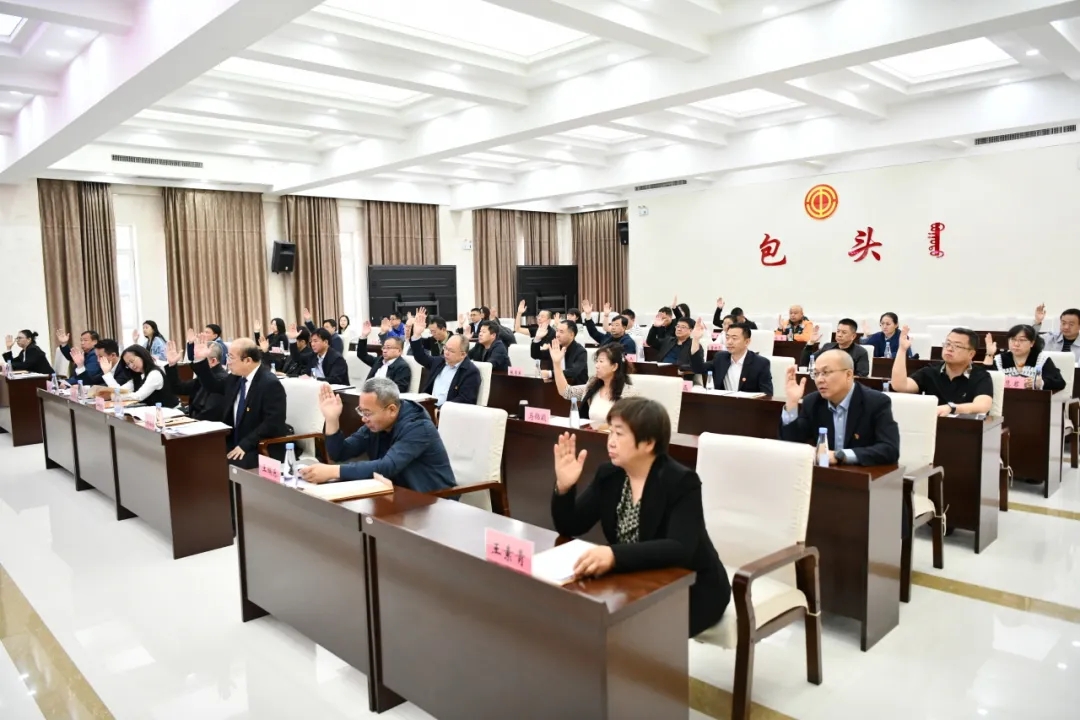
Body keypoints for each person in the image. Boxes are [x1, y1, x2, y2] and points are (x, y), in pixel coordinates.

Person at [551, 397, 730, 638]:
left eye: (619, 433)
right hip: (636, 580)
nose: (610, 441)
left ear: (648, 442)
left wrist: (614, 555)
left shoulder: (680, 482)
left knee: (629, 634)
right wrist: (564, 488)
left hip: (692, 589)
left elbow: (680, 548)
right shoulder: (610, 475)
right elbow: (570, 524)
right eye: (610, 431)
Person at [298, 380, 457, 493]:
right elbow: (339, 453)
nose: (363, 418)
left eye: (368, 413)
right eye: (361, 411)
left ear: (392, 410)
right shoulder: (376, 425)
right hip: (394, 492)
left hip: (433, 499)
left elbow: (386, 467)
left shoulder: (419, 428)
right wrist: (332, 419)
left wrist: (333, 471)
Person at [779, 351, 900, 465]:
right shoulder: (813, 402)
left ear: (848, 375)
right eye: (816, 374)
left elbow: (890, 449)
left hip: (862, 475)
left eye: (826, 372)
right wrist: (792, 402)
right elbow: (792, 443)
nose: (819, 380)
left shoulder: (876, 402)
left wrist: (840, 455)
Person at [191, 338, 288, 468]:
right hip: (235, 440)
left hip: (259, 445)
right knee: (199, 453)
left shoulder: (269, 384)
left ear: (247, 360)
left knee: (220, 464)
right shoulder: (236, 378)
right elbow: (213, 386)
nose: (228, 362)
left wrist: (245, 445)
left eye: (231, 358)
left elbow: (273, 423)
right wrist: (201, 360)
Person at [889, 326, 993, 416]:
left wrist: (951, 408)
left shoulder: (981, 376)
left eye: (957, 346)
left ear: (971, 354)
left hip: (964, 428)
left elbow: (983, 406)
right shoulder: (931, 371)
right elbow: (900, 385)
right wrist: (902, 350)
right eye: (947, 343)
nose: (949, 349)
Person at [551, 341, 637, 426]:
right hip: (592, 433)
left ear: (614, 366)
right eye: (597, 361)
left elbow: (629, 425)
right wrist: (557, 363)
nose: (596, 365)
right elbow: (566, 391)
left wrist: (602, 428)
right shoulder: (592, 386)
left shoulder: (628, 394)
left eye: (601, 361)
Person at [409, 308, 480, 407]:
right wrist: (416, 334)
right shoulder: (440, 361)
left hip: (446, 411)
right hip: (428, 406)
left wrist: (441, 410)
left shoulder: (470, 371)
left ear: (463, 354)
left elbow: (465, 399)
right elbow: (420, 357)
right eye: (445, 348)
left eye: (451, 351)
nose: (446, 353)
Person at [980, 325, 1066, 391]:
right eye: (1013, 339)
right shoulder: (1000, 359)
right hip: (1004, 401)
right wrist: (989, 354)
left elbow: (1060, 382)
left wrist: (1040, 383)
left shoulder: (1041, 359)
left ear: (1032, 343)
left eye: (1022, 340)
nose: (1016, 344)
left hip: (1033, 403)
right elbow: (983, 380)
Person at [165, 340, 228, 420]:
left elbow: (209, 413)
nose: (196, 363)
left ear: (213, 361)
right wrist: (172, 365)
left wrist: (188, 422)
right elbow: (178, 388)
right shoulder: (204, 375)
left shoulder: (221, 379)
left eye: (201, 359)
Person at [102, 344, 178, 407]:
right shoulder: (138, 376)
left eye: (132, 361)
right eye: (128, 364)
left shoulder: (154, 374)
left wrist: (115, 396)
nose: (131, 365)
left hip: (169, 413)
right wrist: (107, 373)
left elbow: (139, 396)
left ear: (142, 356)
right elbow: (118, 391)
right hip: (152, 413)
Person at [711, 323, 772, 394]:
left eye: (734, 338)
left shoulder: (761, 363)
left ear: (747, 342)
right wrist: (698, 340)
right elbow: (701, 368)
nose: (729, 342)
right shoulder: (720, 358)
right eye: (727, 338)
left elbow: (767, 394)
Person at [801, 318, 870, 377]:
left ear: (853, 336)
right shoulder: (827, 347)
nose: (839, 335)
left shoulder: (860, 352)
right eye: (838, 331)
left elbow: (862, 376)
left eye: (844, 332)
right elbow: (807, 362)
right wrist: (811, 343)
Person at [533, 318, 588, 384]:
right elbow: (535, 355)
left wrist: (550, 373)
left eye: (561, 332)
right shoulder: (555, 346)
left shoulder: (581, 351)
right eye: (557, 331)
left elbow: (573, 372)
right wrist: (537, 339)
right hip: (554, 386)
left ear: (571, 335)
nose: (557, 335)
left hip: (575, 387)